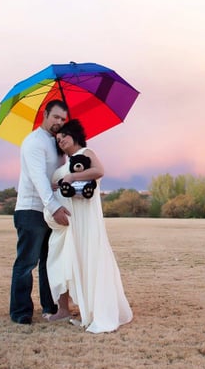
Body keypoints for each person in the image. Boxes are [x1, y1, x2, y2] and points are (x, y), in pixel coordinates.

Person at [44, 119, 133, 333]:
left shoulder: (86, 151)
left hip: (86, 219)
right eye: (58, 139)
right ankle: (75, 310)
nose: (61, 140)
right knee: (71, 261)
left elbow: (99, 171)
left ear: (74, 134)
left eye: (64, 135)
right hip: (71, 222)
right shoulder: (65, 163)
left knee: (90, 259)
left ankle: (98, 310)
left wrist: (73, 176)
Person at [9, 100, 72, 325]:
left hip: (49, 209)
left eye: (63, 119)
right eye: (56, 117)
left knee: (49, 262)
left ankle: (51, 307)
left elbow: (55, 178)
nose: (59, 122)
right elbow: (38, 178)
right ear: (44, 114)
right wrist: (54, 207)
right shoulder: (33, 142)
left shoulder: (56, 144)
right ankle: (21, 312)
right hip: (31, 209)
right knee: (26, 263)